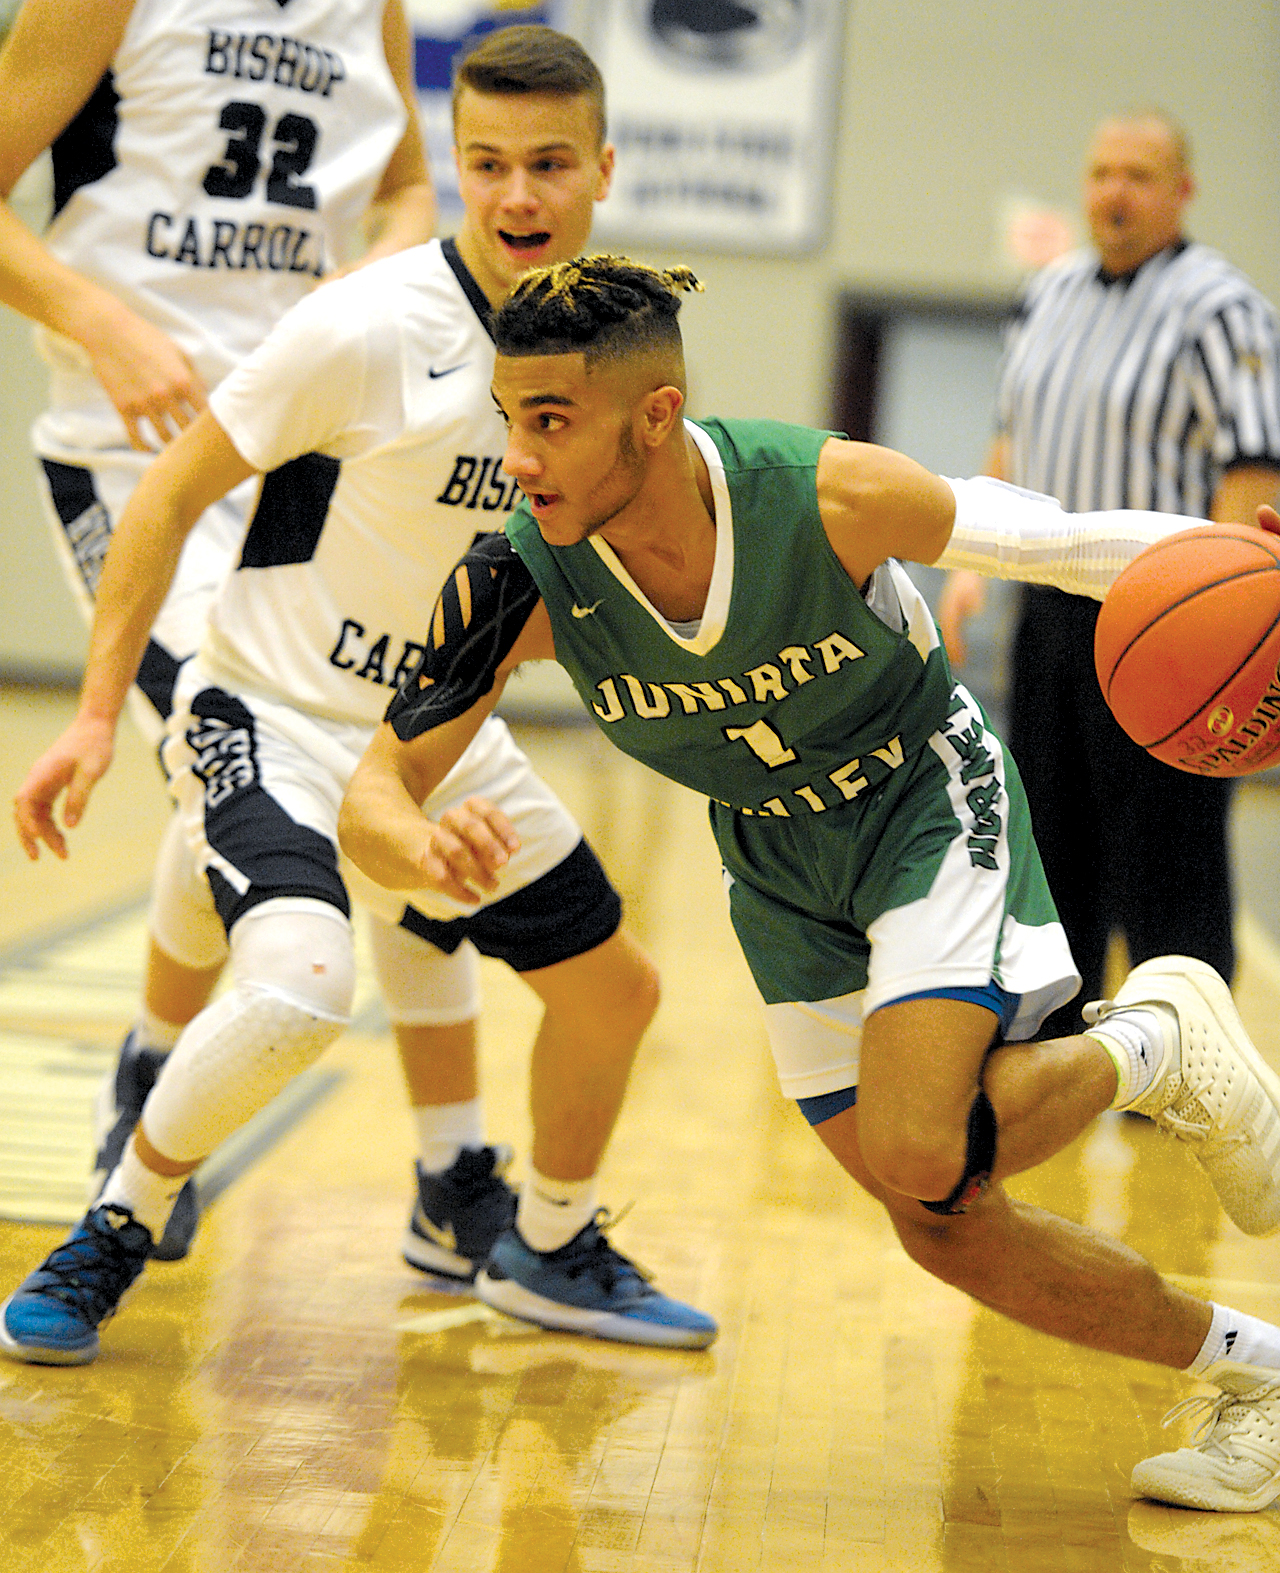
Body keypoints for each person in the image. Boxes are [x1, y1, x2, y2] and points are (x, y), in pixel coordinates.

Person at [337, 254, 1280, 1512]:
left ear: (654, 415)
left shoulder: (819, 493)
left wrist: (1237, 561)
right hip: (776, 865)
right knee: (938, 1219)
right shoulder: (516, 579)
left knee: (917, 1144)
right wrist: (411, 843)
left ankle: (1150, 1041)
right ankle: (1259, 1373)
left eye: (550, 420)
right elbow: (376, 784)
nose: (518, 456)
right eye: (508, 417)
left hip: (921, 799)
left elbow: (1059, 543)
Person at [2, 32, 716, 1364]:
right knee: (299, 989)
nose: (518, 196)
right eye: (487, 164)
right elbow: (165, 497)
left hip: (432, 734)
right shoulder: (366, 322)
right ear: (454, 166)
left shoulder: (611, 361)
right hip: (269, 710)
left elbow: (576, 582)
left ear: (602, 170)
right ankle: (114, 1222)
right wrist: (97, 714)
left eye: (549, 165)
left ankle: (542, 1244)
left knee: (616, 991)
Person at [0, 0, 436, 1256]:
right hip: (131, 450)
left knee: (282, 767)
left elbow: (409, 189)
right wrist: (100, 320)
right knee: (248, 746)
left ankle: (156, 1064)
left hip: (301, 452)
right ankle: (167, 1087)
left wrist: (380, 270)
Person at [939, 111, 1280, 1038]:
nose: (1114, 192)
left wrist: (1235, 623)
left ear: (1182, 190)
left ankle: (1187, 1065)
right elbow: (1010, 437)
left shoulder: (1223, 308)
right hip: (1050, 616)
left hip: (1169, 616)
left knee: (1169, 865)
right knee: (1051, 853)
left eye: (1138, 174)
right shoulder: (1046, 294)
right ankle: (1060, 1059)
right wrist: (969, 568)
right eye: (1101, 173)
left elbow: (1250, 473)